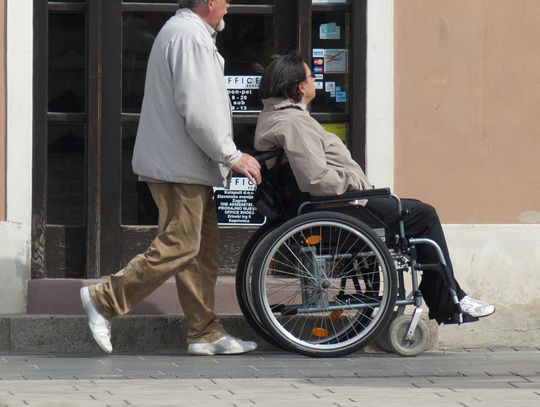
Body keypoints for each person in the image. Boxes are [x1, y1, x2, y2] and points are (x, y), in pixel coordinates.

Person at [254, 52, 495, 324]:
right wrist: (356, 183)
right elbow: (316, 180)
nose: (314, 81)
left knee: (413, 210)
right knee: (423, 215)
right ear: (299, 86)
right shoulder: (294, 122)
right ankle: (449, 297)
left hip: (330, 206)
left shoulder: (276, 117)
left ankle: (446, 292)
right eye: (311, 76)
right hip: (336, 207)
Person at [80, 0, 262, 356]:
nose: (229, 6)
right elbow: (199, 110)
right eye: (225, 0)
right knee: (182, 244)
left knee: (200, 252)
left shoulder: (188, 34)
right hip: (179, 164)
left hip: (184, 163)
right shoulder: (189, 37)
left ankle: (204, 332)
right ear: (209, 2)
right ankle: (104, 300)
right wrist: (231, 155)